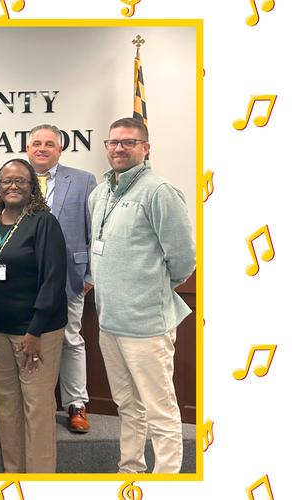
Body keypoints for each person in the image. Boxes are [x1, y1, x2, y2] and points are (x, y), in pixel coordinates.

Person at [88, 118, 196, 474]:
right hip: (109, 322)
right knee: (127, 406)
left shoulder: (159, 191)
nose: (119, 148)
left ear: (145, 148)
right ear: (106, 147)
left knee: (160, 410)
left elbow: (183, 259)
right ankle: (130, 469)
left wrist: (148, 289)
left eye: (128, 142)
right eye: (113, 142)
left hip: (147, 324)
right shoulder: (99, 194)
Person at [0, 159, 68, 473]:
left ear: (32, 187)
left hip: (36, 332)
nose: (13, 186)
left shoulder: (43, 222)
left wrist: (35, 331)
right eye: (6, 181)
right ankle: (13, 476)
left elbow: (53, 280)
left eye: (21, 181)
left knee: (37, 408)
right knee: (7, 407)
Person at [25, 124, 98, 433]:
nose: (42, 148)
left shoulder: (83, 181)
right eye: (36, 143)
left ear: (59, 149)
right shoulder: (16, 178)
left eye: (49, 144)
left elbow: (97, 230)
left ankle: (76, 405)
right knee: (25, 339)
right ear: (28, 149)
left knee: (70, 338)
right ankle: (31, 404)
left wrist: (91, 273)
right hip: (25, 277)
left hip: (70, 275)